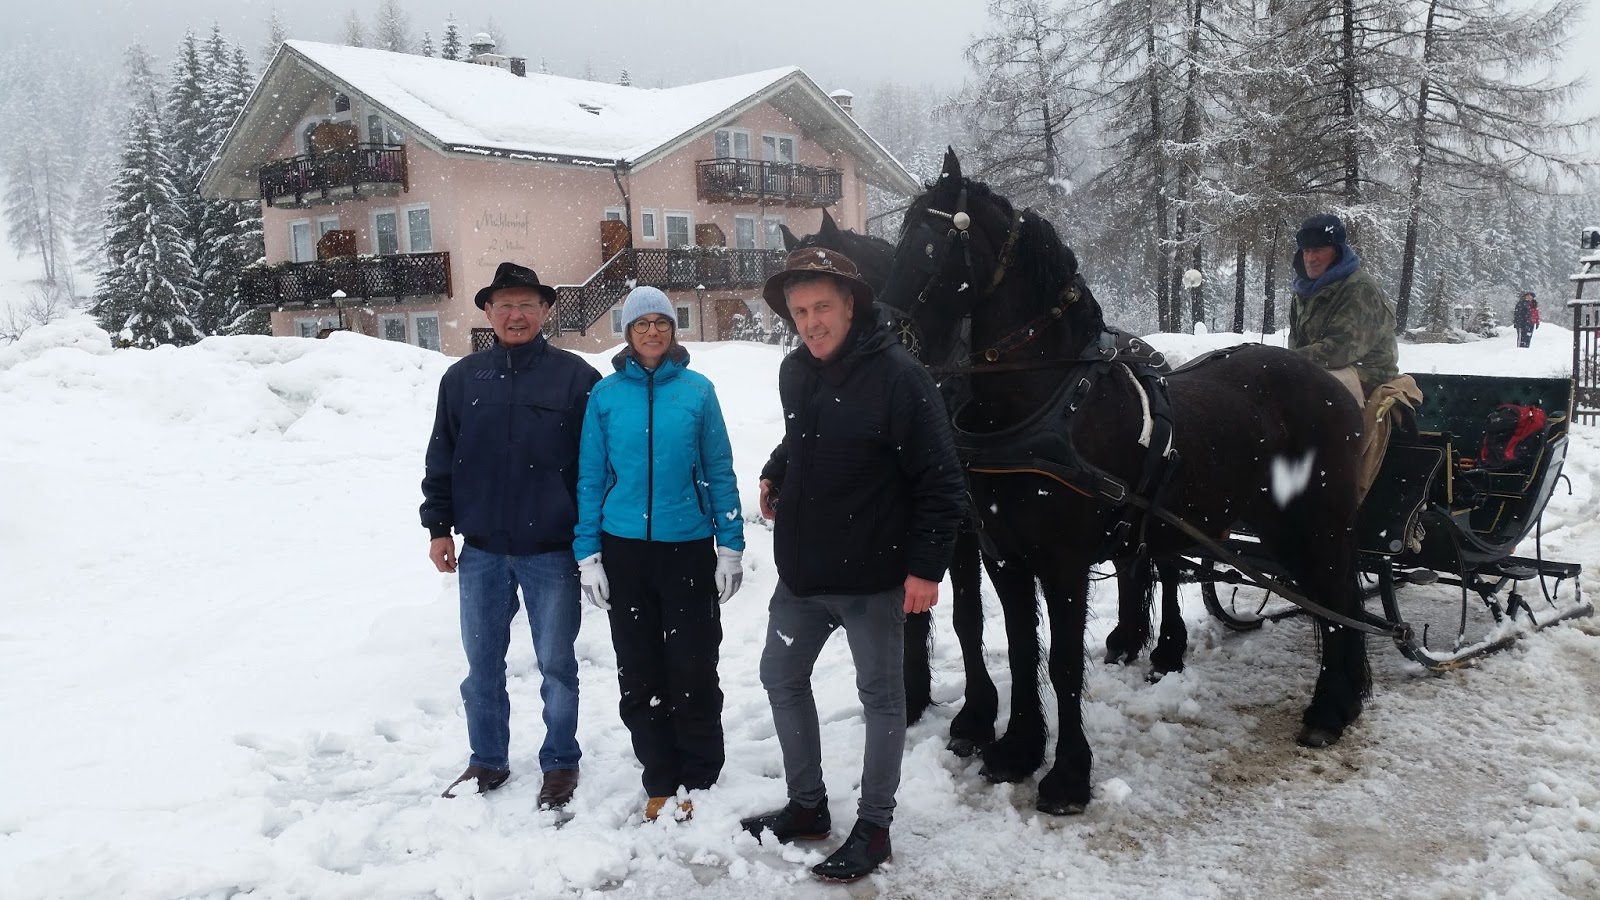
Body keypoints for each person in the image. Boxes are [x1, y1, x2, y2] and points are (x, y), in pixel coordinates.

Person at [738, 248, 966, 883]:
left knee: (881, 699)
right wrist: (777, 469)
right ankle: (808, 807)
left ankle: (874, 827)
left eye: (822, 308)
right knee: (780, 677)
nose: (810, 322)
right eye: (799, 310)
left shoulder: (901, 378)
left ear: (851, 305)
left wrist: (926, 568)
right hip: (804, 574)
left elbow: (941, 481)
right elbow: (806, 435)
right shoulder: (796, 372)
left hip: (874, 574)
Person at [421, 262, 600, 808]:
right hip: (482, 553)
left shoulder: (576, 379)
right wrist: (438, 527)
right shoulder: (462, 379)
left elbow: (596, 466)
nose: (515, 315)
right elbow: (441, 458)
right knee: (481, 668)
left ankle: (561, 762)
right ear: (488, 313)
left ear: (545, 310)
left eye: (526, 304)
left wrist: (590, 539)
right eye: (504, 305)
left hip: (552, 550)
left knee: (557, 667)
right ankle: (487, 760)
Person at [573, 286, 745, 824]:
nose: (652, 331)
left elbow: (720, 469)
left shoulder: (697, 391)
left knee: (693, 666)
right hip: (624, 551)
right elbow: (591, 477)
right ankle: (659, 777)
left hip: (688, 547)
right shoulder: (605, 397)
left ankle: (701, 776)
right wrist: (589, 554)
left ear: (673, 330)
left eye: (662, 322)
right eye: (641, 323)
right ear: (626, 332)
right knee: (640, 671)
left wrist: (730, 546)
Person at [1288, 212, 1399, 404]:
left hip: (1366, 375)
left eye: (1319, 250)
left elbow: (1340, 350)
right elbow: (1296, 343)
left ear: (1337, 251)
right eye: (1306, 250)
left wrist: (1285, 361)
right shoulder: (1303, 291)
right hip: (1317, 370)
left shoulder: (1359, 289)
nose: (1310, 258)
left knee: (1313, 403)